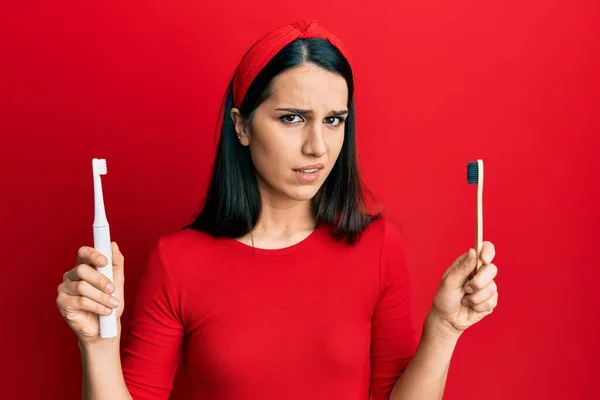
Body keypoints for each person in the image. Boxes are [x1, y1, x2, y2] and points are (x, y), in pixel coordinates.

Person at [56, 20, 499, 400]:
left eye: (333, 120)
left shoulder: (379, 247)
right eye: (292, 117)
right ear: (241, 126)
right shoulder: (177, 262)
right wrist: (96, 345)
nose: (317, 147)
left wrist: (444, 328)